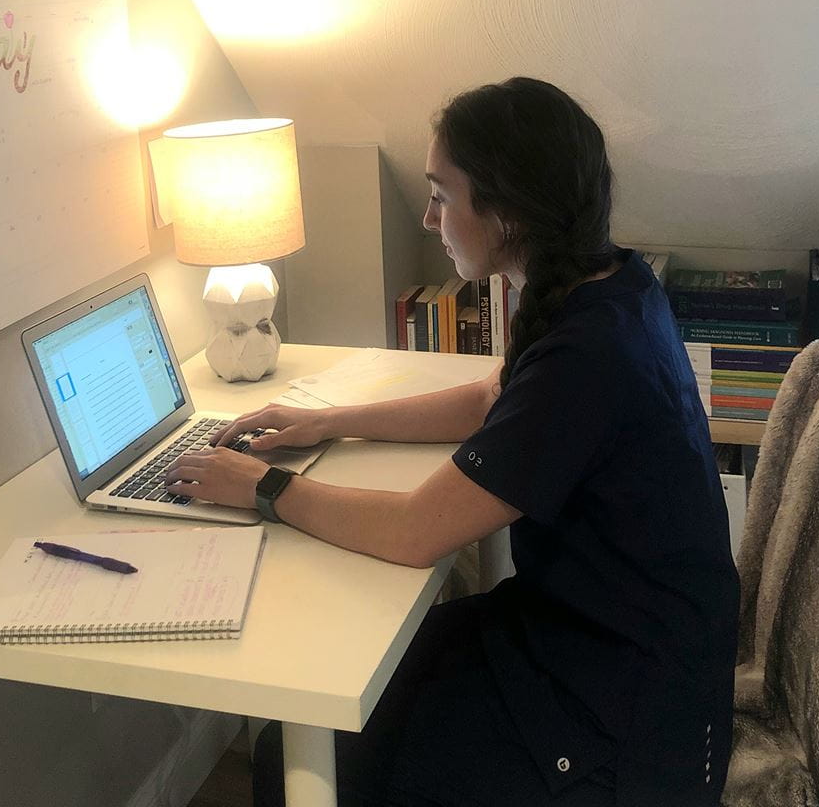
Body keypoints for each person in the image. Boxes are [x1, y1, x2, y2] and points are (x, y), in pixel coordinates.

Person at [164, 77, 739, 806]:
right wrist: (330, 420)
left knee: (301, 759)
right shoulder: (607, 285)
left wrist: (264, 487)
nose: (430, 218)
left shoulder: (588, 356)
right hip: (595, 638)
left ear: (507, 213)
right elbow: (487, 400)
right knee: (330, 705)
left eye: (442, 196)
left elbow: (415, 532)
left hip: (629, 722)